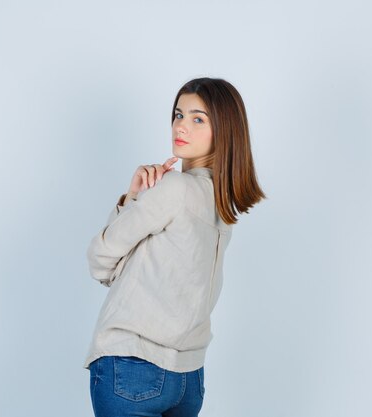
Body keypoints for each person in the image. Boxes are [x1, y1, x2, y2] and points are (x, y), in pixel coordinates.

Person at [83, 77, 266, 417]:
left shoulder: (173, 189)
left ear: (224, 130)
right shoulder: (223, 208)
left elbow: (100, 262)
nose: (181, 125)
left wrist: (133, 195)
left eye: (198, 118)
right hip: (188, 377)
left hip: (132, 365)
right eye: (178, 114)